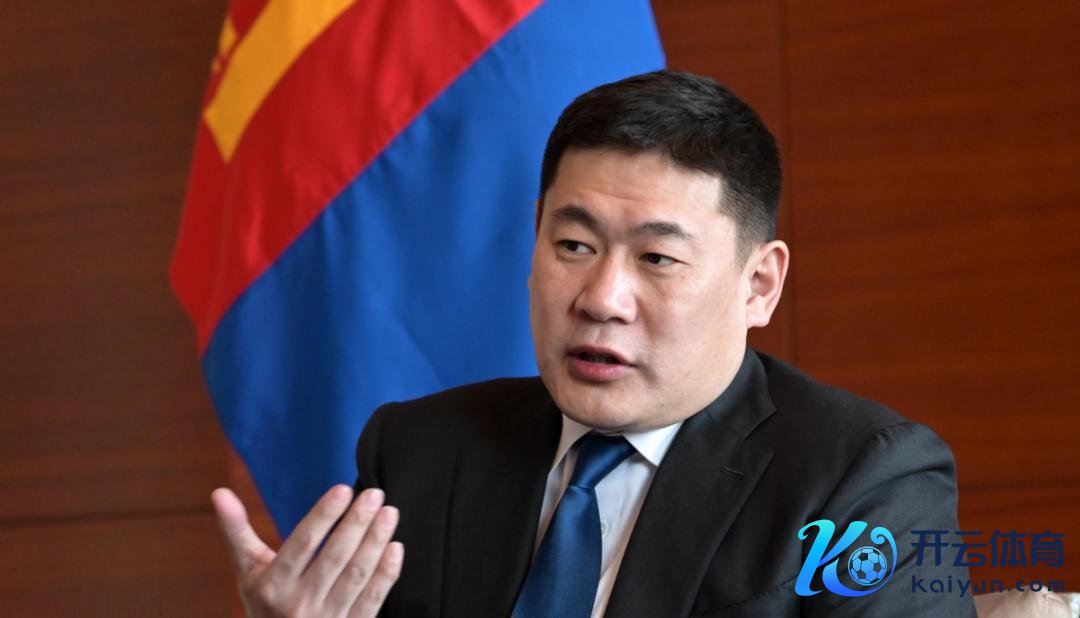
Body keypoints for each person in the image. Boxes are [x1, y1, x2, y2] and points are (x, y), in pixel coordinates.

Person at [211, 70, 976, 617]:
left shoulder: (860, 479)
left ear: (758, 286)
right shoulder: (420, 452)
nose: (601, 299)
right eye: (573, 246)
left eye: (657, 258)